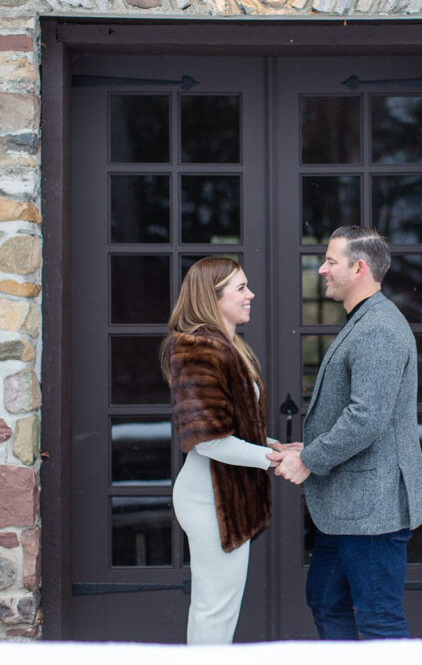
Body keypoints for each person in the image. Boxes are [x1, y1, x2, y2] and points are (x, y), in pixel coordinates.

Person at [268, 226, 422, 640]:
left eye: (330, 261)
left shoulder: (378, 327)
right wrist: (310, 446)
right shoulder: (365, 321)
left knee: (380, 619)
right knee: (325, 600)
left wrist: (309, 459)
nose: (322, 269)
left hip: (372, 510)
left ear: (359, 267)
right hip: (350, 507)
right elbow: (361, 413)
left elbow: (366, 418)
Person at [160, 257, 289, 644]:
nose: (250, 295)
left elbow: (233, 430)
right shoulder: (199, 349)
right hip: (210, 501)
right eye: (240, 288)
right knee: (214, 610)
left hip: (227, 497)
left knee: (218, 607)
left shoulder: (228, 348)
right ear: (212, 297)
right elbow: (209, 440)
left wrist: (272, 445)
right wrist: (272, 459)